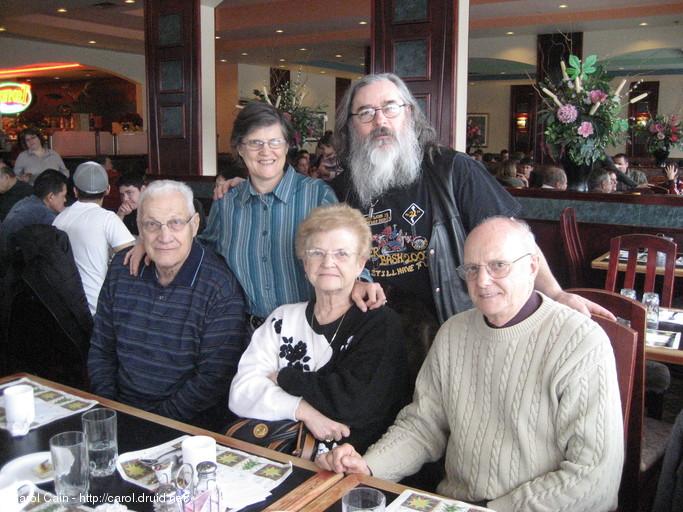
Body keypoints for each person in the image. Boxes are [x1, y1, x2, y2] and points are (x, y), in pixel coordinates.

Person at [317, 217, 624, 511]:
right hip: (455, 504)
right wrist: (370, 466)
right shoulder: (454, 332)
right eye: (472, 269)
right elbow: (424, 425)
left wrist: (493, 509)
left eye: (498, 266)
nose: (483, 280)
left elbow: (595, 478)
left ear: (532, 266)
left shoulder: (580, 341)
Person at [331, 73, 610, 340]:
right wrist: (351, 283)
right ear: (351, 125)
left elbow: (514, 241)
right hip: (371, 336)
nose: (380, 120)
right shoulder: (342, 190)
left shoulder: (453, 170)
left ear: (410, 114)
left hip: (450, 331)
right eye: (366, 112)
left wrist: (556, 294)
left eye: (390, 108)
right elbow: (332, 259)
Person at [229, 204, 409, 453]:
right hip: (275, 453)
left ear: (360, 264)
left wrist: (283, 377)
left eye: (341, 254)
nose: (327, 262)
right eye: (316, 252)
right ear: (304, 263)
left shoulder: (380, 324)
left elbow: (354, 404)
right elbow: (241, 393)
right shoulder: (282, 318)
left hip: (350, 462)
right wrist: (304, 411)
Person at [88, 180, 246, 430]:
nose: (164, 236)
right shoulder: (122, 268)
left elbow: (212, 379)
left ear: (194, 226)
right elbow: (101, 348)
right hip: (120, 413)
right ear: (139, 227)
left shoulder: (219, 287)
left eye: (176, 223)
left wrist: (153, 423)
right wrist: (113, 409)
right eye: (152, 225)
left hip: (184, 427)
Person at [201, 102, 352, 329]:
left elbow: (348, 254)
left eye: (275, 141)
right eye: (255, 143)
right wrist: (148, 243)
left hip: (312, 331)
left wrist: (361, 283)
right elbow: (204, 255)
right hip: (249, 337)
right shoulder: (227, 204)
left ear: (286, 146)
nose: (266, 151)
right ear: (240, 148)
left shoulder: (318, 196)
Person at [53, 161, 135, 315]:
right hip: (97, 307)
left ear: (75, 191)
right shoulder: (108, 219)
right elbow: (132, 257)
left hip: (64, 307)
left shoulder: (59, 219)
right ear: (108, 190)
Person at [0, 169, 68, 259]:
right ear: (51, 197)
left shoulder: (26, 201)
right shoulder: (44, 215)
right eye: (63, 196)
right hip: (15, 265)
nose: (65, 200)